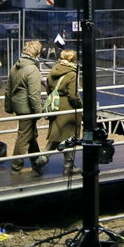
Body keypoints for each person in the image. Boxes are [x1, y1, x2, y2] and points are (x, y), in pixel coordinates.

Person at [5, 40, 46, 174]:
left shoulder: (15, 66)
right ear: (37, 52)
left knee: (31, 135)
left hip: (18, 106)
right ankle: (16, 166)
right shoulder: (32, 70)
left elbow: (8, 89)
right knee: (24, 137)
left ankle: (36, 162)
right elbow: (34, 95)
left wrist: (8, 106)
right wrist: (38, 112)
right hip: (28, 109)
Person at [45, 49, 82, 177]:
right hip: (69, 109)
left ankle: (42, 160)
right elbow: (73, 95)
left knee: (56, 136)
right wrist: (80, 105)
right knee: (69, 137)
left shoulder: (55, 69)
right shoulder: (72, 74)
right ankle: (68, 167)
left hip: (56, 106)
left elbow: (48, 87)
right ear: (73, 59)